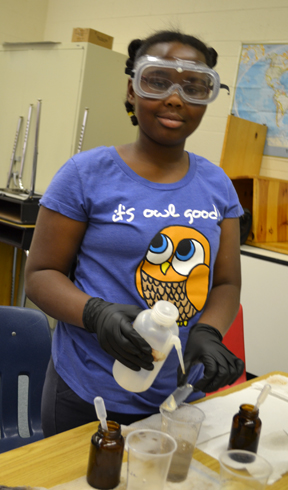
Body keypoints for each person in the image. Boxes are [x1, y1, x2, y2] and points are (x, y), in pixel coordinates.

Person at [24, 29, 244, 437]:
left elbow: (226, 283)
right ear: (132, 90)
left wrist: (208, 332)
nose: (175, 98)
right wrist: (97, 313)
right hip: (89, 391)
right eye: (157, 81)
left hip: (178, 395)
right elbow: (40, 276)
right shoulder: (85, 174)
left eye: (195, 87)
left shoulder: (218, 185)